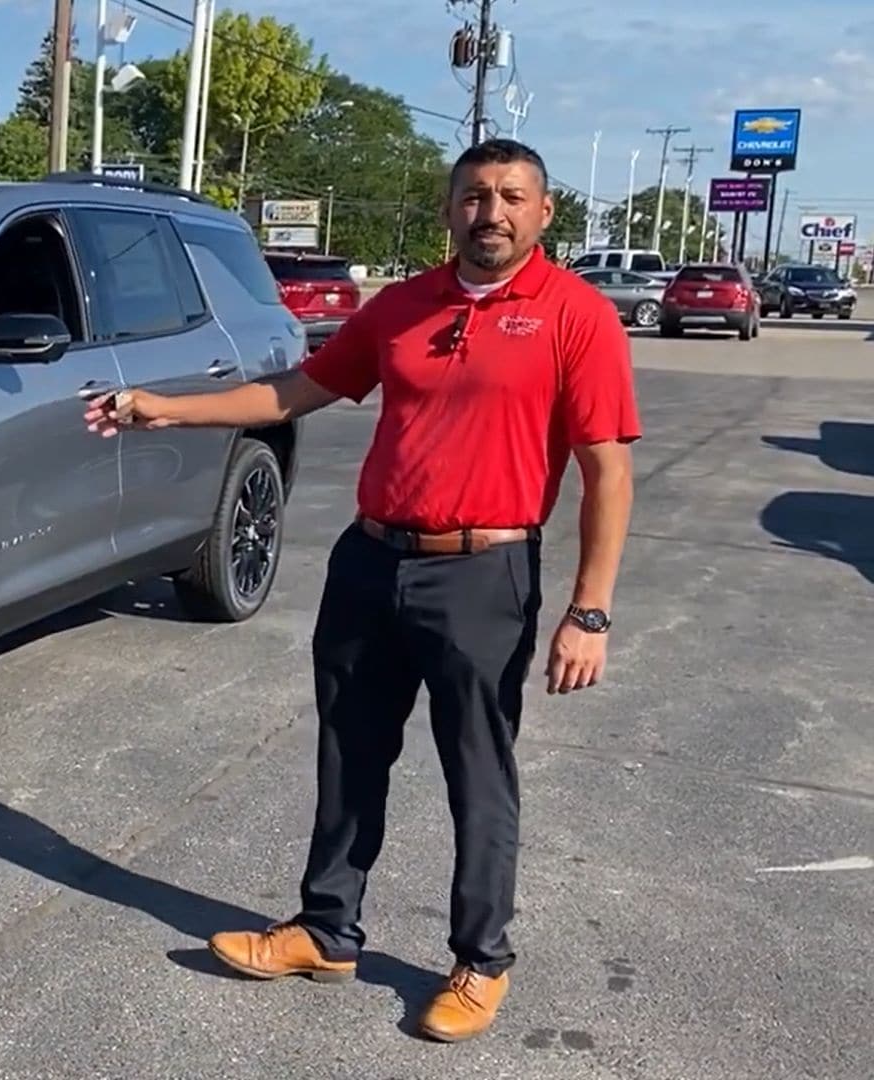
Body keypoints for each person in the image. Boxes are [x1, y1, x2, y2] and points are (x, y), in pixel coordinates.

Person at [84, 138, 640, 1042]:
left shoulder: (574, 315)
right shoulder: (405, 305)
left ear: (543, 215)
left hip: (482, 572)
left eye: (509, 197)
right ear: (448, 209)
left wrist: (589, 611)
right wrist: (163, 405)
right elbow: (294, 391)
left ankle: (481, 958)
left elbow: (607, 473)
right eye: (472, 196)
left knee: (478, 771)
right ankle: (325, 928)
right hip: (371, 560)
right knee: (349, 751)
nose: (489, 213)